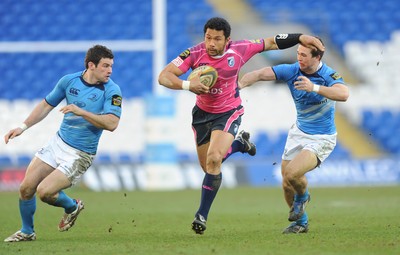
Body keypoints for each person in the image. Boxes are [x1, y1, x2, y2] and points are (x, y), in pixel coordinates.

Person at [158, 16, 325, 235]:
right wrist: (188, 84)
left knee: (214, 159)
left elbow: (272, 42)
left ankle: (202, 215)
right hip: (201, 114)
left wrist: (301, 37)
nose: (211, 43)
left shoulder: (240, 49)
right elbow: (164, 76)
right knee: (208, 167)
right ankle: (239, 145)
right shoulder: (194, 53)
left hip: (229, 111)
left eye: (217, 39)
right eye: (208, 38)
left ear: (227, 39)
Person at [4, 45, 122, 242]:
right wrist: (23, 127)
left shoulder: (112, 90)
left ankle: (72, 206)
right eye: (105, 66)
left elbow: (112, 123)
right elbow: (45, 105)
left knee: (45, 192)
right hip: (58, 143)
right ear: (91, 65)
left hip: (80, 153)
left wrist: (81, 112)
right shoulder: (69, 81)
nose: (110, 70)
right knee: (26, 188)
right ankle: (27, 232)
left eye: (111, 66)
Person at [239, 37, 349, 234]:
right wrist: (239, 86)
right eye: (298, 53)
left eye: (304, 55)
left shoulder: (328, 74)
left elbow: (343, 94)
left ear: (317, 57)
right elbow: (260, 73)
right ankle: (301, 223)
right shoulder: (292, 70)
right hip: (298, 132)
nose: (299, 58)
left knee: (292, 173)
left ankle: (303, 197)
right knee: (286, 181)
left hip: (322, 137)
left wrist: (313, 87)